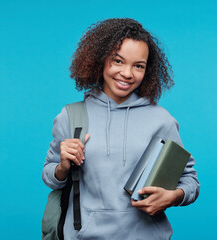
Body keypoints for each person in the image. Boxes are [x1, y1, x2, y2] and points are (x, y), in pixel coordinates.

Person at [42, 18, 200, 239]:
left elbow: (190, 181)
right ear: (100, 60)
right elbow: (50, 176)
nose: (127, 73)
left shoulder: (161, 119)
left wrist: (173, 196)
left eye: (138, 66)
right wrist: (62, 166)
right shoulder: (72, 116)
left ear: (148, 70)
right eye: (118, 61)